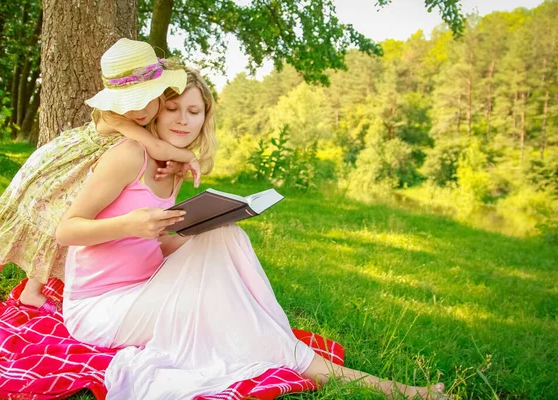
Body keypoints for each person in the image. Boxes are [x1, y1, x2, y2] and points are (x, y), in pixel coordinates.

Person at [56, 68, 447, 400]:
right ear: (155, 113)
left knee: (224, 234)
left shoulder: (169, 166)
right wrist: (132, 225)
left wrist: (195, 233)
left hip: (142, 290)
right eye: (172, 108)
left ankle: (284, 344)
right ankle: (360, 380)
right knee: (224, 265)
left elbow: (151, 244)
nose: (182, 120)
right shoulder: (128, 155)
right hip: (100, 309)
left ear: (204, 119)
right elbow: (66, 231)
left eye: (194, 111)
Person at [0, 38, 200, 314]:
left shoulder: (141, 118)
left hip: (90, 169)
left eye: (147, 100)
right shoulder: (117, 117)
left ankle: (32, 291)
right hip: (66, 167)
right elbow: (157, 146)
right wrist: (191, 157)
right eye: (130, 102)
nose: (139, 110)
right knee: (35, 221)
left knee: (54, 227)